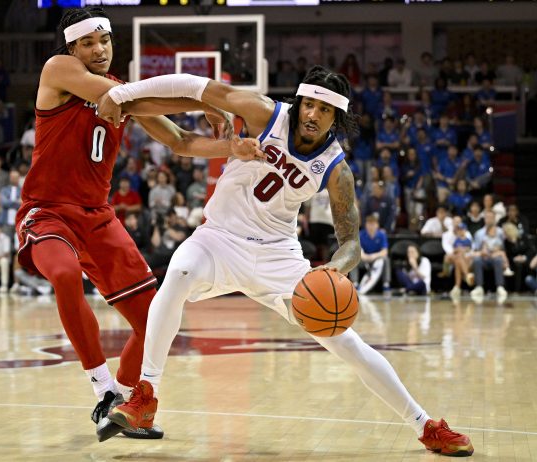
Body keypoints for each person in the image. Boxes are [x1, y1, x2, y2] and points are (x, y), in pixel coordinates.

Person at [98, 65, 473, 456]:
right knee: (179, 271)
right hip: (219, 239)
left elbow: (351, 243)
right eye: (308, 104)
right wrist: (124, 96)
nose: (312, 115)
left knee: (345, 342)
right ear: (300, 102)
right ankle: (146, 396)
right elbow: (194, 86)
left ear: (336, 118)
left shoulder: (336, 168)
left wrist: (335, 268)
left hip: (278, 255)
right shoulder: (264, 113)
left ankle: (424, 424)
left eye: (324, 110)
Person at [13, 6, 265, 441]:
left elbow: (181, 142)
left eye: (104, 41)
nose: (98, 49)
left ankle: (125, 404)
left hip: (97, 216)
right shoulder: (60, 69)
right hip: (49, 210)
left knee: (156, 315)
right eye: (88, 42)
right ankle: (101, 387)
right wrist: (208, 99)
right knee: (64, 272)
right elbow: (126, 99)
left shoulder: (120, 90)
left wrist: (231, 148)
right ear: (72, 47)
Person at [470, 211, 510, 303]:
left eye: (491, 217)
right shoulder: (478, 233)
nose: (489, 219)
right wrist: (482, 252)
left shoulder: (500, 232)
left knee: (498, 259)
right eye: (487, 217)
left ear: (494, 219)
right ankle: (479, 287)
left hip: (495, 257)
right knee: (477, 260)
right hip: (483, 258)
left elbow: (504, 248)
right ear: (484, 219)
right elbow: (475, 250)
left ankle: (500, 287)